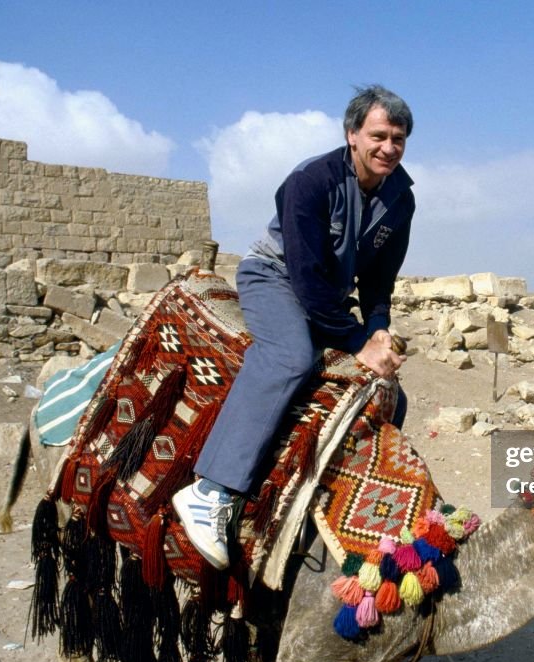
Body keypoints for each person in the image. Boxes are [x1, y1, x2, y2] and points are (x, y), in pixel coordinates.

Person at [172, 85, 415, 570]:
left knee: (391, 393)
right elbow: (304, 276)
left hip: (328, 295)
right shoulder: (310, 181)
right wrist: (354, 340)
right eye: (379, 135)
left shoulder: (401, 200)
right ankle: (212, 491)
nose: (389, 147)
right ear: (352, 134)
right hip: (276, 277)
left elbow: (380, 281)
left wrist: (380, 330)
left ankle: (332, 502)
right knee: (290, 357)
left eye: (399, 138)